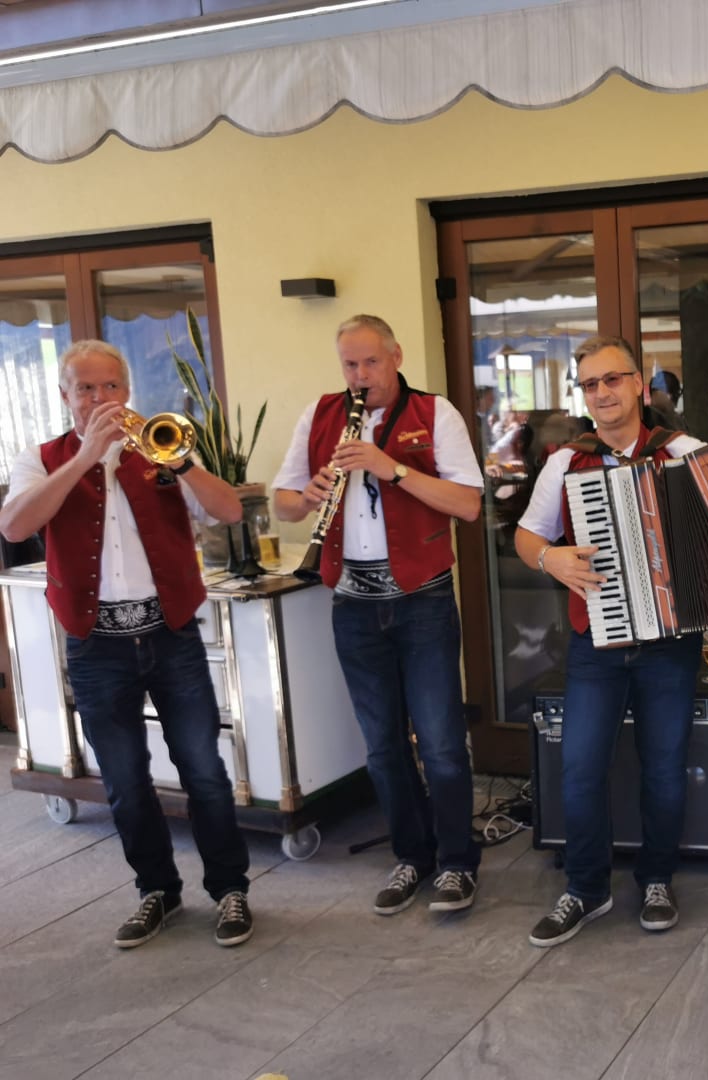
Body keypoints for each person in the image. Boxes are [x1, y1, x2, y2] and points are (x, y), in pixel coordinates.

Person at [0, 340, 255, 950]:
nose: (100, 398)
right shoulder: (41, 459)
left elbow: (228, 511)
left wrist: (183, 462)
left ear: (127, 390)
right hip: (96, 645)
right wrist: (85, 458)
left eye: (110, 386)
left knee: (204, 771)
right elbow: (13, 525)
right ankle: (157, 891)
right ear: (65, 396)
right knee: (124, 779)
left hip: (171, 636)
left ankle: (230, 889)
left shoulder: (162, 447)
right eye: (86, 388)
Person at [273, 314, 484, 916]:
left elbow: (468, 504)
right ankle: (411, 856)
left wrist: (392, 468)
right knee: (383, 748)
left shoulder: (435, 413)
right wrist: (308, 496)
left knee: (441, 744)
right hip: (354, 603)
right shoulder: (320, 415)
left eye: (370, 361)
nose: (360, 374)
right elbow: (283, 504)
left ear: (396, 356)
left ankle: (456, 862)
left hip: (423, 600)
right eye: (350, 364)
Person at [515, 334, 706, 948]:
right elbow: (527, 535)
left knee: (665, 770)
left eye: (613, 379)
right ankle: (586, 887)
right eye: (590, 384)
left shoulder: (683, 453)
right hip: (595, 641)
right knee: (579, 768)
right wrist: (549, 557)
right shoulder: (566, 463)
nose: (601, 393)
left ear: (640, 387)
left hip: (669, 640)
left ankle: (657, 879)